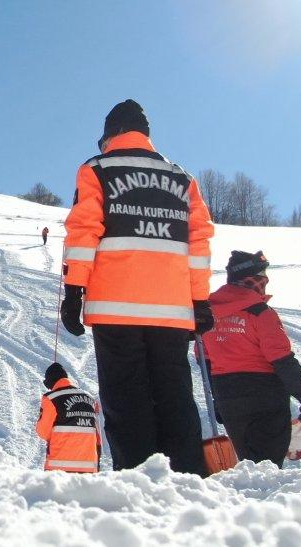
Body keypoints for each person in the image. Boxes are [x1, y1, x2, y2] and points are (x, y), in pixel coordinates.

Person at [60, 99, 214, 476]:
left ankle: (137, 479)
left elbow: (84, 233)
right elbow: (199, 244)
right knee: (175, 397)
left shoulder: (98, 170)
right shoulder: (182, 179)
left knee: (127, 399)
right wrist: (200, 300)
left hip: (117, 306)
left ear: (110, 134)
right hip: (173, 311)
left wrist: (74, 290)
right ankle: (187, 477)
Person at [203, 251, 301, 466]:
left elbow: (205, 362)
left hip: (228, 395)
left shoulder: (209, 315)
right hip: (264, 395)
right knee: (268, 466)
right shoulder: (260, 313)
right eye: (262, 274)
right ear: (250, 278)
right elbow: (283, 360)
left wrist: (217, 400)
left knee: (249, 465)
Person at [36, 362, 101, 472]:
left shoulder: (51, 398)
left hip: (58, 468)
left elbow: (43, 432)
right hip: (89, 467)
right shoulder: (90, 399)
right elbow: (97, 436)